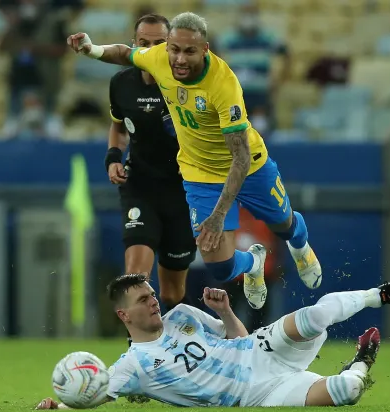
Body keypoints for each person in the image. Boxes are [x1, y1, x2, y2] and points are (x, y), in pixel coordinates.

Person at [66, 12, 324, 311]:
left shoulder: (223, 84)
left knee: (284, 224)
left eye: (189, 51)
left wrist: (218, 214)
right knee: (219, 266)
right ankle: (254, 262)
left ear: (205, 49)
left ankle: (300, 245)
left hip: (248, 167)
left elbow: (238, 158)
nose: (179, 59)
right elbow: (125, 53)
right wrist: (92, 49)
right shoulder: (160, 57)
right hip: (200, 174)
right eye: (174, 49)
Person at [35, 273, 390, 409]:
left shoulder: (183, 316)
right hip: (257, 394)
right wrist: (60, 406)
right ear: (124, 316)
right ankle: (362, 358)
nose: (154, 301)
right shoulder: (132, 367)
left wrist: (225, 312)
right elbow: (96, 393)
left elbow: (238, 336)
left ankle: (380, 294)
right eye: (143, 300)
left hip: (256, 349)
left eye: (152, 294)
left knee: (316, 317)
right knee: (347, 390)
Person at [107, 13, 196, 318]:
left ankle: (168, 348)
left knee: (173, 293)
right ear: (134, 45)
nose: (150, 51)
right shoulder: (121, 84)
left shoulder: (189, 86)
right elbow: (119, 127)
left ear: (171, 47)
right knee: (135, 276)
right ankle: (136, 348)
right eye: (143, 44)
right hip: (140, 187)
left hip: (183, 192)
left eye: (159, 44)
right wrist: (113, 158)